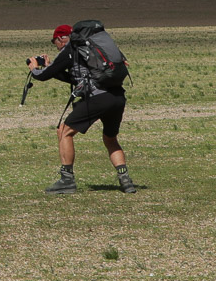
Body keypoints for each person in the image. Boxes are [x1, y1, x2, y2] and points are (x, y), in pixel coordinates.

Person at [25, 23, 136, 195]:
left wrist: (34, 68)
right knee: (110, 139)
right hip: (117, 97)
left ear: (62, 38)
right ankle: (126, 180)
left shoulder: (71, 49)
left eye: (55, 42)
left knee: (64, 131)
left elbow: (44, 76)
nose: (56, 46)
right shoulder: (92, 50)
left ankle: (66, 180)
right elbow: (75, 78)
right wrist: (50, 67)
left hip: (97, 99)